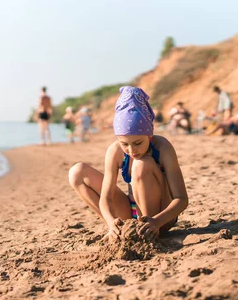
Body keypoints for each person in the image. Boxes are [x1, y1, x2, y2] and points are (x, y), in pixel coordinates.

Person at [68, 86, 188, 241]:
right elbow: (106, 198)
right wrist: (111, 222)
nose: (131, 150)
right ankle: (117, 231)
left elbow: (181, 199)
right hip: (131, 211)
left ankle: (146, 232)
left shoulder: (163, 147)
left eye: (138, 143)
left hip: (161, 217)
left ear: (149, 135)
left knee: (141, 164)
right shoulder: (115, 151)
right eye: (125, 143)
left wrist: (157, 221)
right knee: (77, 172)